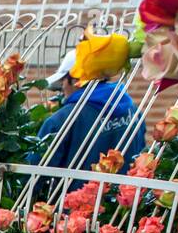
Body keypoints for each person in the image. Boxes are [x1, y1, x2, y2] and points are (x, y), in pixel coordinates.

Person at [37, 49, 145, 177]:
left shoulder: (61, 120)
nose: (62, 88)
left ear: (74, 79)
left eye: (62, 82)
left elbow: (35, 174)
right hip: (125, 195)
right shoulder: (132, 109)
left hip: (77, 196)